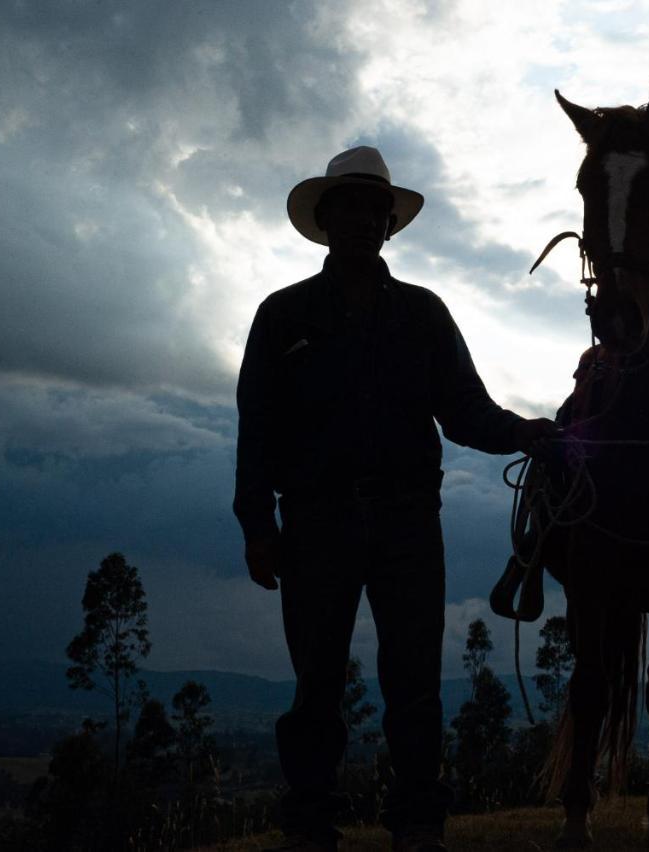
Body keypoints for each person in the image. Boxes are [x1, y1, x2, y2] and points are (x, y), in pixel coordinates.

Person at [233, 146, 557, 852]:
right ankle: (311, 821)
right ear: (326, 220)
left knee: (412, 680)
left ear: (388, 224)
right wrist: (258, 524)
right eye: (346, 207)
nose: (359, 220)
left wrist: (527, 433)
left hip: (408, 518)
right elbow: (255, 428)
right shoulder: (281, 316)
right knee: (316, 679)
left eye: (371, 209)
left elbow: (466, 412)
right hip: (315, 520)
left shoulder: (422, 315)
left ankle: (416, 821)